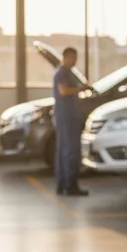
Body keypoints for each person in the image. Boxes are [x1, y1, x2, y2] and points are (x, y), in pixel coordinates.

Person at [52, 47, 91, 197]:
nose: (74, 61)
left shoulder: (67, 73)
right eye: (72, 58)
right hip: (66, 116)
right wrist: (80, 88)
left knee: (63, 150)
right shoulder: (62, 73)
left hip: (66, 116)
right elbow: (63, 91)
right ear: (66, 57)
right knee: (71, 150)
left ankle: (62, 184)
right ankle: (71, 185)